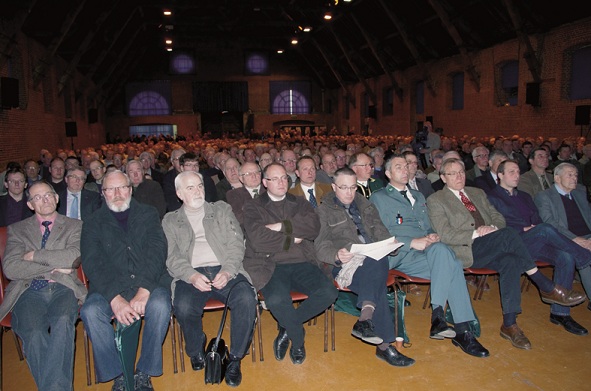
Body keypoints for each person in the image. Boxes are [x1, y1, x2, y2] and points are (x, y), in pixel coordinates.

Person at [427, 158, 586, 350]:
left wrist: (492, 227)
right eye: (453, 173)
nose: (459, 176)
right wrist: (477, 232)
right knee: (512, 234)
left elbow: (498, 218)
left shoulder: (477, 193)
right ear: (443, 177)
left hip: (494, 242)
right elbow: (445, 234)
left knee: (510, 261)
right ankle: (545, 284)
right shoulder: (436, 199)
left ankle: (509, 324)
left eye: (461, 171)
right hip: (468, 248)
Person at [370, 156, 489, 358]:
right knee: (453, 263)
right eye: (398, 167)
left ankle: (443, 321)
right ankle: (459, 328)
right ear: (388, 174)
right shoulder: (379, 197)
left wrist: (433, 234)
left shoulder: (419, 196)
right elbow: (377, 233)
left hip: (426, 251)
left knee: (449, 258)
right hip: (400, 253)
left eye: (407, 166)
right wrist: (411, 242)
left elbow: (428, 226)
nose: (405, 170)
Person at [163, 171, 256, 387]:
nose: (198, 191)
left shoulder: (221, 209)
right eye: (190, 188)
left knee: (246, 299)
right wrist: (191, 275)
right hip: (191, 272)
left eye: (200, 185)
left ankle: (234, 358)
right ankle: (196, 349)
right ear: (179, 194)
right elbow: (171, 256)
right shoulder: (170, 220)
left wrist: (228, 271)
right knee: (184, 306)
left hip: (225, 268)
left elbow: (235, 243)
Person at [80, 170, 172, 390]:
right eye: (110, 189)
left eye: (122, 187)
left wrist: (145, 289)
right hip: (110, 286)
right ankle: (119, 373)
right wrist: (114, 298)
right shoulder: (92, 222)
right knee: (90, 311)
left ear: (130, 190)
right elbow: (93, 262)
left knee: (160, 305)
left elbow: (157, 252)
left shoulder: (148, 214)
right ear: (103, 193)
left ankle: (145, 371)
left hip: (148, 281)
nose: (117, 193)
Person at [315, 167, 416, 366]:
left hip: (372, 258)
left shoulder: (365, 205)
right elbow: (320, 245)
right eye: (343, 187)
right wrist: (336, 254)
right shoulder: (323, 210)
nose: (349, 193)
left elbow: (380, 231)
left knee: (375, 261)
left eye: (353, 187)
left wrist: (391, 244)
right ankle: (383, 344)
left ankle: (366, 320)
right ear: (334, 187)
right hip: (344, 262)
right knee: (377, 276)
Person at [242, 163, 338, 365]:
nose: (280, 182)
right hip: (270, 265)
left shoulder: (300, 202)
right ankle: (298, 340)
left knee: (329, 293)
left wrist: (279, 226)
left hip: (302, 260)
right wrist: (292, 238)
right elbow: (257, 239)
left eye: (284, 178)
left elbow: (312, 228)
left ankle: (288, 326)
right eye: (274, 179)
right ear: (265, 183)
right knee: (277, 300)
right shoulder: (253, 206)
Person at [488, 160, 591, 335]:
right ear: (500, 175)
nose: (517, 175)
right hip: (512, 242)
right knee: (545, 230)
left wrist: (534, 228)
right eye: (511, 172)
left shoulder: (525, 197)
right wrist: (524, 228)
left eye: (518, 172)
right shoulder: (491, 197)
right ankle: (585, 257)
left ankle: (560, 313)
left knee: (565, 256)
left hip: (534, 241)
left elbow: (538, 219)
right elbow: (495, 224)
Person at [0, 180, 86, 391]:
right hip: (28, 289)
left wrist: (35, 256)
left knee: (63, 320)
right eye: (37, 197)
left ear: (56, 199)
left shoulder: (75, 225)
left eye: (48, 194)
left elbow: (73, 256)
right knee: (34, 332)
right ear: (30, 205)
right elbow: (11, 268)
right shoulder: (17, 230)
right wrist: (52, 266)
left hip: (63, 287)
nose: (44, 199)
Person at [227, 162, 265, 229]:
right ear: (241, 178)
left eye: (256, 172)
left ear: (260, 174)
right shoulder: (234, 194)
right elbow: (240, 218)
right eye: (248, 174)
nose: (254, 176)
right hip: (250, 232)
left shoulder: (269, 189)